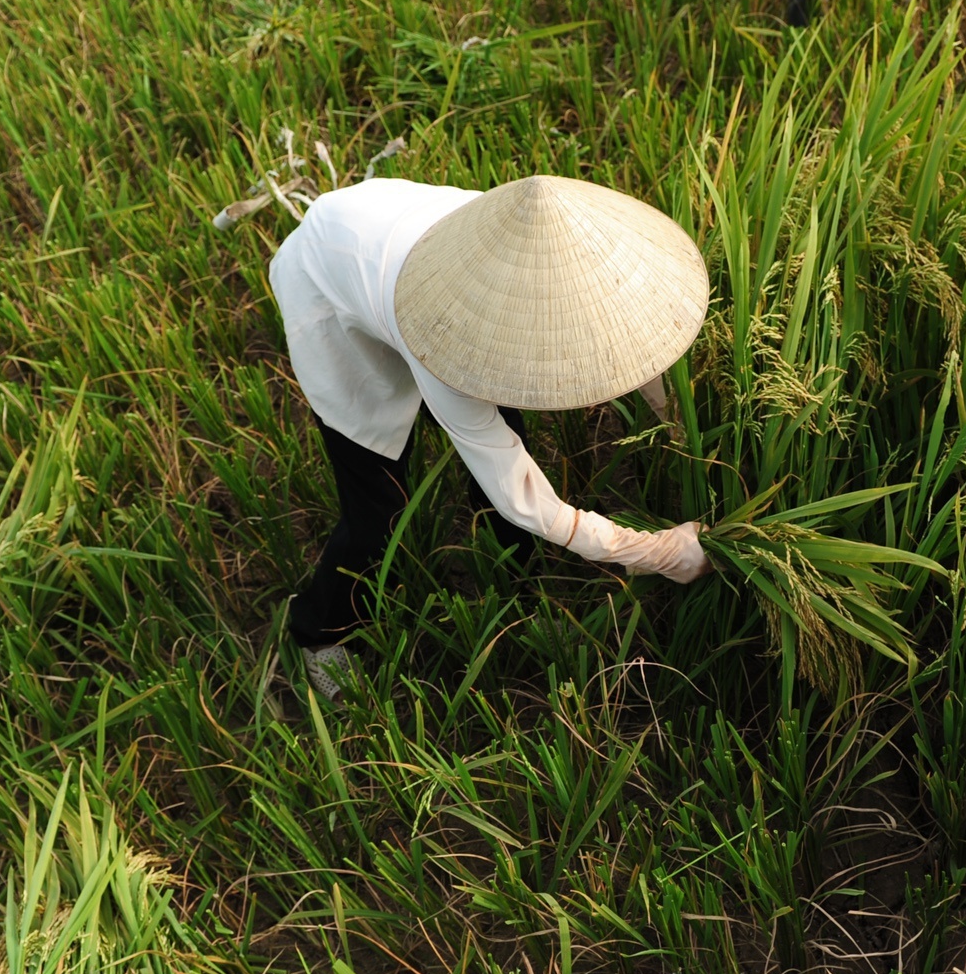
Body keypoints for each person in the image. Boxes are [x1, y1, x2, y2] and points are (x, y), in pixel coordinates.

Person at [267, 174, 714, 698]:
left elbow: (626, 336)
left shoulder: (535, 241)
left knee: (509, 433)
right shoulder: (447, 343)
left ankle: (516, 593)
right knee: (378, 508)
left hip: (387, 224)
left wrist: (672, 421)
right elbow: (520, 495)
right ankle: (320, 633)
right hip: (326, 272)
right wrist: (646, 550)